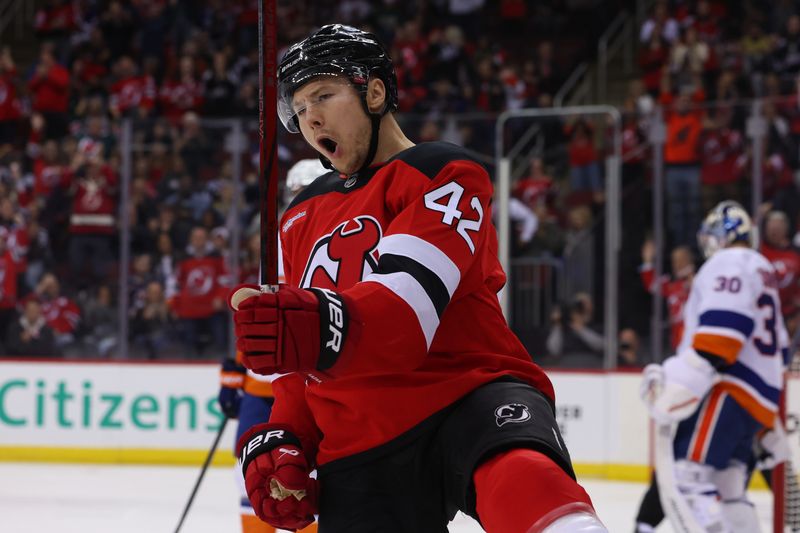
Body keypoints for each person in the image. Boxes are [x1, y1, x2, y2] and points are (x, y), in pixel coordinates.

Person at [228, 24, 606, 533]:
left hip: (466, 393)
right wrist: (283, 435)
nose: (309, 116)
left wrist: (312, 323)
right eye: (298, 109)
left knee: (529, 485)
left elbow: (404, 313)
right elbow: (302, 368)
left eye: (323, 94)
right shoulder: (299, 216)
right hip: (359, 430)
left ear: (375, 92)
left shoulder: (444, 173)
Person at [640, 201, 790, 532]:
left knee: (688, 480)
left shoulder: (729, 262)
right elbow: (781, 349)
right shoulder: (761, 268)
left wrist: (680, 381)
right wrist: (769, 415)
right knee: (729, 488)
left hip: (729, 389)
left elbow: (724, 333)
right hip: (756, 396)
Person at [218, 159, 325, 533]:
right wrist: (233, 370)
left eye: (307, 191)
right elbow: (257, 311)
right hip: (260, 386)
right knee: (249, 475)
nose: (300, 200)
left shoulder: (335, 238)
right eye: (295, 192)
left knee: (305, 478)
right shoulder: (277, 239)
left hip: (308, 386)